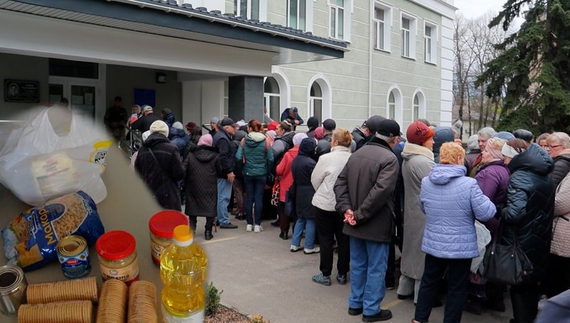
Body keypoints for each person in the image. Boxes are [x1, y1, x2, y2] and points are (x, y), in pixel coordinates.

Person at [412, 142, 495, 323]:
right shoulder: (469, 184)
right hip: (461, 246)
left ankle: (419, 319)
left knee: (429, 282)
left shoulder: (427, 182)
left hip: (434, 242)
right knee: (456, 288)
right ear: (459, 159)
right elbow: (486, 213)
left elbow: (424, 207)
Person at [334, 118, 402, 322]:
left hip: (355, 221)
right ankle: (371, 309)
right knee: (375, 268)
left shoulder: (357, 153)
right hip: (375, 223)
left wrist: (348, 211)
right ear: (394, 138)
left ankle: (356, 303)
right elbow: (381, 192)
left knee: (359, 265)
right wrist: (356, 213)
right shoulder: (389, 159)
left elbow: (340, 184)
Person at [501, 138, 555, 323]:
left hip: (522, 241)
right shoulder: (543, 172)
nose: (504, 161)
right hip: (539, 238)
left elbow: (515, 214)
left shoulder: (520, 176)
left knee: (520, 286)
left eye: (505, 157)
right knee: (531, 286)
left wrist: (501, 210)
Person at [467, 137, 510, 314]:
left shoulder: (489, 173)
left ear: (493, 153)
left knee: (480, 262)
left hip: (486, 224)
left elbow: (482, 202)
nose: (482, 152)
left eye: (485, 150)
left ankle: (476, 300)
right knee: (491, 259)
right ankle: (495, 298)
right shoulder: (504, 170)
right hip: (497, 223)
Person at [397, 121, 436, 305]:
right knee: (421, 253)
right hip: (424, 212)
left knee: (410, 248)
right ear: (422, 141)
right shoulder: (423, 161)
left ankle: (404, 288)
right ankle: (421, 296)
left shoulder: (410, 157)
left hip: (412, 209)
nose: (433, 142)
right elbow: (436, 184)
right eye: (430, 138)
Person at [311, 128, 352, 286]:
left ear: (335, 141)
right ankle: (342, 273)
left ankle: (325, 274)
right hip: (346, 204)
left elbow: (315, 179)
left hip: (325, 204)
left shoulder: (326, 158)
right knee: (344, 239)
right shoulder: (352, 158)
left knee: (325, 239)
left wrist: (323, 192)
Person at [134, 120, 185, 211]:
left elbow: (137, 171)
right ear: (166, 132)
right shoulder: (171, 149)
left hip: (148, 195)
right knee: (169, 223)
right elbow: (179, 173)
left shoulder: (142, 150)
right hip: (168, 196)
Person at [235, 119, 274, 233]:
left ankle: (249, 224)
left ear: (250, 128)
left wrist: (241, 169)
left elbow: (238, 157)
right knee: (259, 198)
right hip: (261, 172)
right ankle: (257, 224)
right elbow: (271, 158)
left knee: (249, 198)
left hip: (248, 172)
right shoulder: (265, 140)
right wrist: (267, 169)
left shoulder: (244, 140)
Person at [184, 134, 222, 241]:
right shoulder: (215, 155)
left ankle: (191, 230)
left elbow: (184, 168)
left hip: (193, 185)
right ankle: (208, 232)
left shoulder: (191, 155)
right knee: (210, 207)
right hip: (209, 185)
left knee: (193, 207)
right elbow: (219, 171)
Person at [290, 137, 319, 253]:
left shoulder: (296, 160)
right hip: (310, 192)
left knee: (300, 218)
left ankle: (295, 243)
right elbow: (316, 178)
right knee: (311, 220)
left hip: (298, 191)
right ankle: (309, 246)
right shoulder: (310, 163)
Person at [276, 132, 307, 239]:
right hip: (299, 187)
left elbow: (279, 170)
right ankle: (297, 231)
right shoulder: (306, 155)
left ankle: (284, 232)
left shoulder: (288, 154)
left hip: (286, 187)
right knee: (297, 212)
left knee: (284, 210)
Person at [213, 117, 239, 229]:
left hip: (220, 172)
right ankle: (223, 220)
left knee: (220, 196)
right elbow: (223, 156)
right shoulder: (223, 139)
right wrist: (229, 171)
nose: (235, 129)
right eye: (233, 127)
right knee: (223, 197)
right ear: (227, 127)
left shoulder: (220, 136)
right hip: (223, 173)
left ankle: (218, 218)